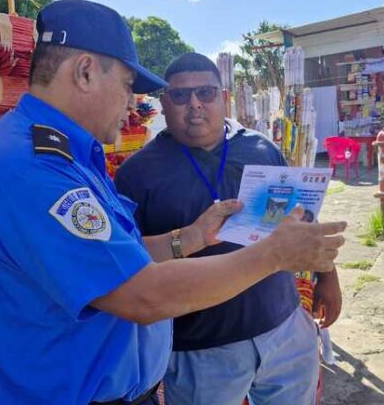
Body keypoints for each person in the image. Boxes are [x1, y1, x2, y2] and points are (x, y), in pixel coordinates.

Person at [0, 0, 346, 405]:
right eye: (127, 85)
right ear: (85, 72)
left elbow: (118, 257)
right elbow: (142, 295)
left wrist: (189, 238)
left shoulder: (66, 158)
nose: (132, 104)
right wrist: (273, 255)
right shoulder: (32, 171)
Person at [115, 53, 343, 405]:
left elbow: (300, 222)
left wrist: (327, 276)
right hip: (201, 349)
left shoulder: (261, 148)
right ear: (163, 103)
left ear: (223, 98)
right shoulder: (136, 174)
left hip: (283, 327)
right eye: (180, 95)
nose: (194, 105)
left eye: (205, 93)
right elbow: (128, 264)